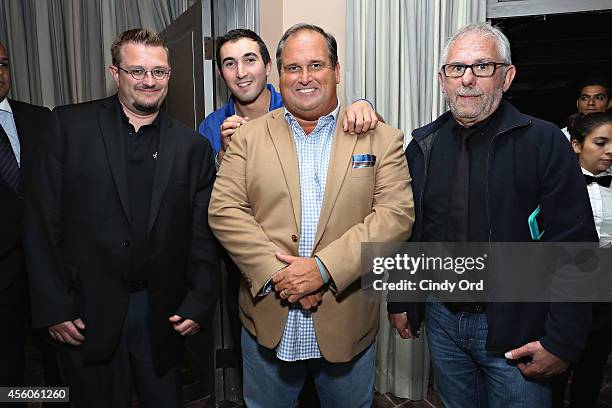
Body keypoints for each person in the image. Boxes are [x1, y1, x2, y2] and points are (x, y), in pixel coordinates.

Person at [387, 22, 597, 407]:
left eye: (482, 67)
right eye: (456, 68)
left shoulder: (544, 141)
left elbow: (577, 246)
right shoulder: (422, 145)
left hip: (520, 328)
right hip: (442, 320)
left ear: (507, 76)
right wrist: (402, 299)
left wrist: (563, 341)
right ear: (442, 79)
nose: (467, 79)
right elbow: (413, 229)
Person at [208, 23, 414, 407]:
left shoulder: (381, 139)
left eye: (316, 65)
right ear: (278, 74)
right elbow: (224, 210)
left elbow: (395, 215)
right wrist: (282, 275)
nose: (304, 78)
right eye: (292, 68)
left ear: (336, 71)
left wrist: (321, 270)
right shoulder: (246, 138)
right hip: (267, 323)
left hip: (347, 323)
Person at [23, 29, 220, 408]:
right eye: (137, 71)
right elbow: (41, 222)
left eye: (159, 72)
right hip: (84, 312)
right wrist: (52, 307)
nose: (149, 81)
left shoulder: (191, 147)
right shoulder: (67, 127)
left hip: (161, 313)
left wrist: (199, 299)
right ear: (115, 73)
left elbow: (202, 235)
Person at [199, 28, 380, 166]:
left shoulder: (296, 107)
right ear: (221, 74)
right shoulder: (211, 127)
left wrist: (363, 105)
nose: (241, 72)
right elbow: (212, 198)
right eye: (230, 64)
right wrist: (224, 154)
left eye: (250, 60)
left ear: (268, 67)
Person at [0, 42, 63, 403]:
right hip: (2, 274)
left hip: (49, 266)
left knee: (59, 357)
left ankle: (58, 399)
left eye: (4, 63)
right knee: (8, 364)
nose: (0, 72)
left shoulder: (41, 118)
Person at [552, 112, 612, 407]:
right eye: (600, 142)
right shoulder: (556, 185)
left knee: (593, 362)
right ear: (576, 145)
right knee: (557, 363)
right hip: (564, 284)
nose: (609, 150)